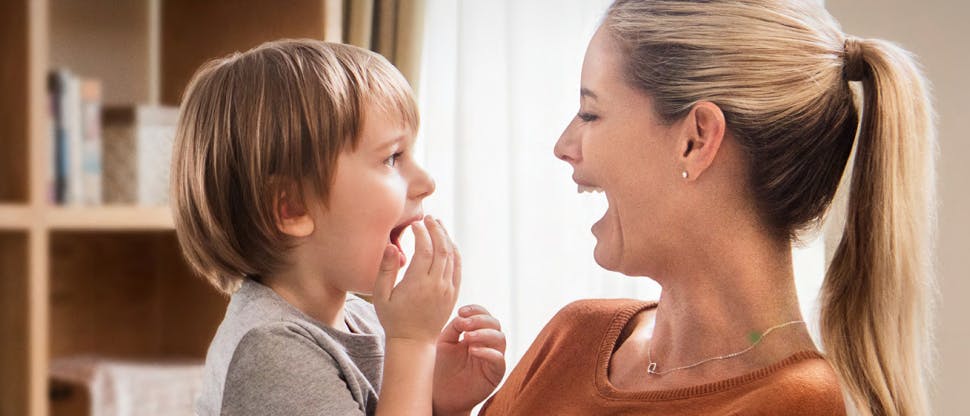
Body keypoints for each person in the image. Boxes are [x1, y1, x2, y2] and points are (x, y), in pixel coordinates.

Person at [481, 1, 934, 415]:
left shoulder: (792, 404)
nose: (564, 146)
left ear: (696, 140)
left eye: (590, 114)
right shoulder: (573, 337)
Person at [170, 39, 506, 416]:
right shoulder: (272, 353)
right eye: (392, 157)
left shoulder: (361, 319)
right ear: (292, 207)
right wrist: (413, 344)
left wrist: (440, 401)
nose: (426, 181)